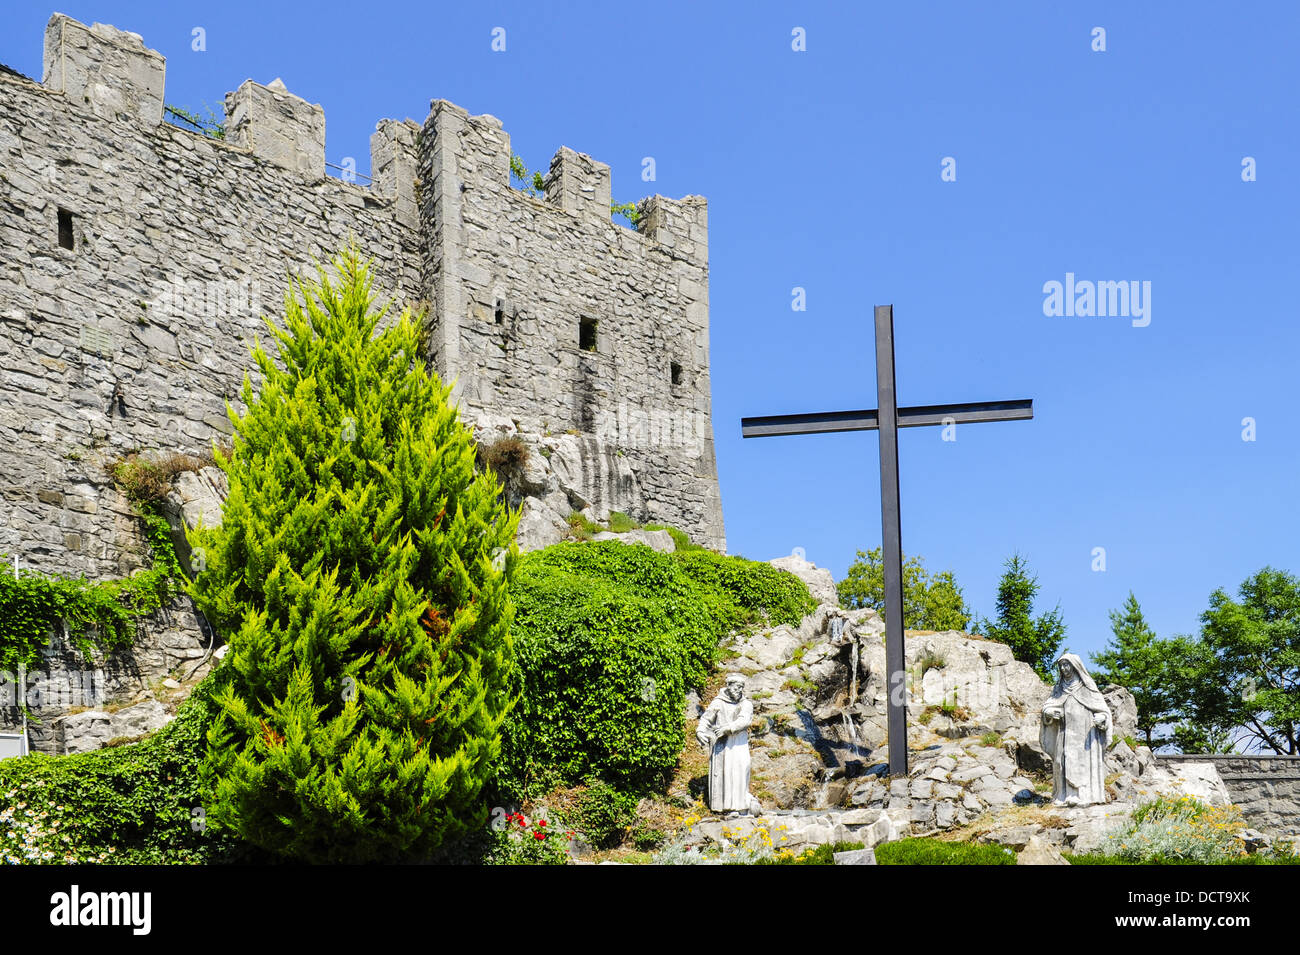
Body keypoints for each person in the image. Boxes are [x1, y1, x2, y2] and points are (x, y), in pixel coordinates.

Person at [1040, 653, 1112, 806]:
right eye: (1061, 666)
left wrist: (1102, 718)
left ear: (1075, 666)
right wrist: (1049, 713)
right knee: (1061, 761)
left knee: (1081, 761)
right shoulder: (1059, 688)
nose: (1064, 669)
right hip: (1064, 731)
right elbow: (1049, 705)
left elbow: (1103, 709)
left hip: (1085, 732)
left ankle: (1083, 795)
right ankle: (1062, 795)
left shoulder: (1087, 687)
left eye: (1067, 665)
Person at [696, 673, 755, 813]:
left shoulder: (746, 704)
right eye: (736, 687)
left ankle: (741, 805)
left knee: (741, 770)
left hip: (739, 743)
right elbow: (706, 718)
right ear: (728, 686)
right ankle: (728, 807)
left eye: (741, 687)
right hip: (723, 746)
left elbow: (744, 720)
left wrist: (727, 729)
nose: (739, 690)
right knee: (727, 772)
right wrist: (700, 731)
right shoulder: (718, 702)